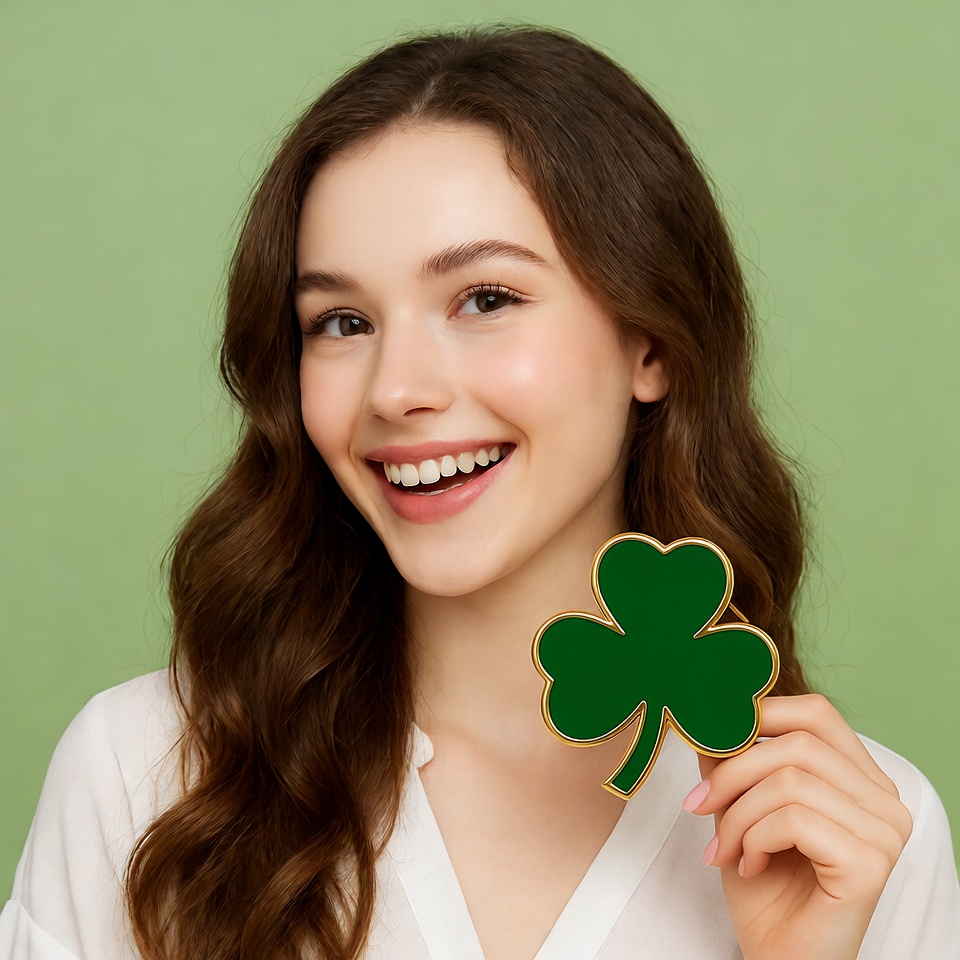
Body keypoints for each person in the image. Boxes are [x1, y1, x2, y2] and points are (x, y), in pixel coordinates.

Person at [1, 25, 958, 960]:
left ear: (652, 341)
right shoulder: (143, 776)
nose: (395, 389)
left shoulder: (855, 838)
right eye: (340, 320)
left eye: (486, 299)